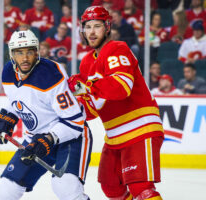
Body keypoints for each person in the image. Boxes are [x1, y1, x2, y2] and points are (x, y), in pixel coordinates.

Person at [68, 6, 164, 200]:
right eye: (87, 27)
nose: (92, 32)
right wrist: (70, 104)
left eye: (97, 26)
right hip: (114, 135)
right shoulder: (86, 62)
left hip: (141, 127)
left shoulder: (117, 48)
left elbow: (121, 88)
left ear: (107, 27)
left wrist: (85, 84)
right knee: (111, 186)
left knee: (142, 188)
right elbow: (92, 109)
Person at [0, 30, 92, 200]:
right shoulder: (8, 72)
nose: (24, 58)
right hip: (36, 139)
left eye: (29, 52)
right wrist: (6, 117)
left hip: (71, 137)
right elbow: (18, 98)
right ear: (12, 54)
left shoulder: (50, 75)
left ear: (37, 52)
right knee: (6, 190)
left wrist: (49, 139)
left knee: (65, 187)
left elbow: (75, 122)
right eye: (19, 52)